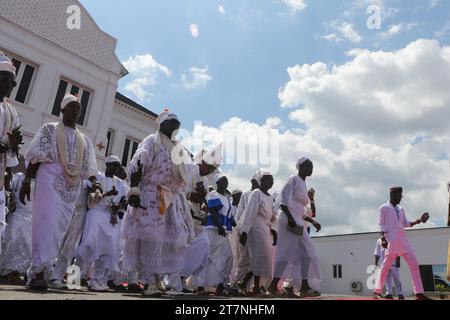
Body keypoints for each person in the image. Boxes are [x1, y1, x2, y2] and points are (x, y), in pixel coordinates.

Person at [20, 93, 97, 291]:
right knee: (46, 224)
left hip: (71, 190)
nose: (75, 110)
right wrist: (27, 180)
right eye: (71, 107)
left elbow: (89, 169)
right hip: (48, 182)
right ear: (62, 109)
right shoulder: (49, 129)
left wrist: (95, 185)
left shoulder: (85, 140)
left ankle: (48, 272)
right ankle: (38, 271)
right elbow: (36, 157)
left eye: (78, 108)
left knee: (60, 230)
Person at [121, 109, 196, 297]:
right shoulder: (151, 141)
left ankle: (156, 277)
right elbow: (138, 164)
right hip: (151, 195)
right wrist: (135, 190)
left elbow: (186, 174)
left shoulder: (178, 148)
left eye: (176, 122)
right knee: (150, 238)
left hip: (170, 198)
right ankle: (147, 281)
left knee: (168, 240)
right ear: (161, 124)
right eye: (170, 121)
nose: (174, 124)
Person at [267, 157, 322, 298]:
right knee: (285, 253)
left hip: (297, 221)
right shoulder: (293, 179)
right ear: (300, 167)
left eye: (312, 166)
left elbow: (300, 210)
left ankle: (304, 286)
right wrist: (290, 219)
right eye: (308, 165)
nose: (311, 168)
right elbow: (284, 201)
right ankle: (273, 286)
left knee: (307, 253)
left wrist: (313, 221)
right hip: (288, 220)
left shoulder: (303, 184)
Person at [74, 155, 129, 292]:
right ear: (108, 165)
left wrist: (119, 206)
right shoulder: (97, 177)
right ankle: (75, 277)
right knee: (89, 245)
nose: (117, 168)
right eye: (114, 165)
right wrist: (108, 193)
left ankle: (99, 280)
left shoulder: (121, 183)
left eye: (118, 165)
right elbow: (92, 197)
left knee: (108, 250)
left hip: (111, 218)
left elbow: (124, 199)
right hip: (96, 214)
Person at [175, 147, 220, 295]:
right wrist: (197, 195)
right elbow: (182, 192)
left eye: (213, 169)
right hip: (182, 215)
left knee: (204, 245)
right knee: (180, 247)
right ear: (203, 162)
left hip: (197, 219)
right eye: (210, 167)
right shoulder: (191, 171)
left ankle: (182, 277)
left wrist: (203, 206)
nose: (210, 171)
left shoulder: (206, 181)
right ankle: (173, 278)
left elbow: (203, 201)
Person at [374, 187, 432, 300]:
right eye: (400, 195)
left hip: (404, 242)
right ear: (393, 195)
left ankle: (419, 293)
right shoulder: (384, 208)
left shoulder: (401, 208)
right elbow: (381, 225)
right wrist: (383, 239)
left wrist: (419, 220)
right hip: (392, 242)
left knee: (414, 265)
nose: (401, 197)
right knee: (385, 267)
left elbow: (405, 223)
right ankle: (377, 292)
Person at [238, 172, 278, 296]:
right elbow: (250, 212)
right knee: (258, 257)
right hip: (255, 228)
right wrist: (245, 231)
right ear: (262, 181)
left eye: (272, 180)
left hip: (265, 229)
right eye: (268, 179)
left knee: (265, 258)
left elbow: (271, 217)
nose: (271, 182)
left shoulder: (270, 197)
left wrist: (273, 231)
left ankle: (245, 282)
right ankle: (255, 287)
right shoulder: (256, 193)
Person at [0, 52, 23, 254]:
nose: (10, 85)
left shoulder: (12, 112)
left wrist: (14, 145)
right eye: (7, 80)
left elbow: (11, 152)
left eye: (13, 83)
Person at [201, 173, 235, 296]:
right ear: (217, 183)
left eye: (227, 181)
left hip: (222, 231)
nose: (226, 183)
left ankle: (220, 285)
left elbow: (229, 216)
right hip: (213, 229)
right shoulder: (213, 194)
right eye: (223, 180)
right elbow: (213, 211)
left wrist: (237, 225)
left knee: (227, 257)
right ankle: (203, 285)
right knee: (209, 257)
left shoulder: (226, 198)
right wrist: (219, 226)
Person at [0, 173, 33, 280]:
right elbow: (11, 191)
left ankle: (24, 269)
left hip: (33, 215)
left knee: (29, 242)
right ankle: (9, 269)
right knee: (14, 235)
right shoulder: (18, 177)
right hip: (18, 212)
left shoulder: (43, 178)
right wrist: (12, 199)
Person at [233, 172, 260, 288]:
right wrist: (243, 231)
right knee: (244, 260)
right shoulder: (246, 195)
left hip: (257, 232)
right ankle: (235, 285)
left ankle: (246, 286)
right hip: (245, 232)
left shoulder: (261, 194)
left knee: (255, 261)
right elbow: (239, 215)